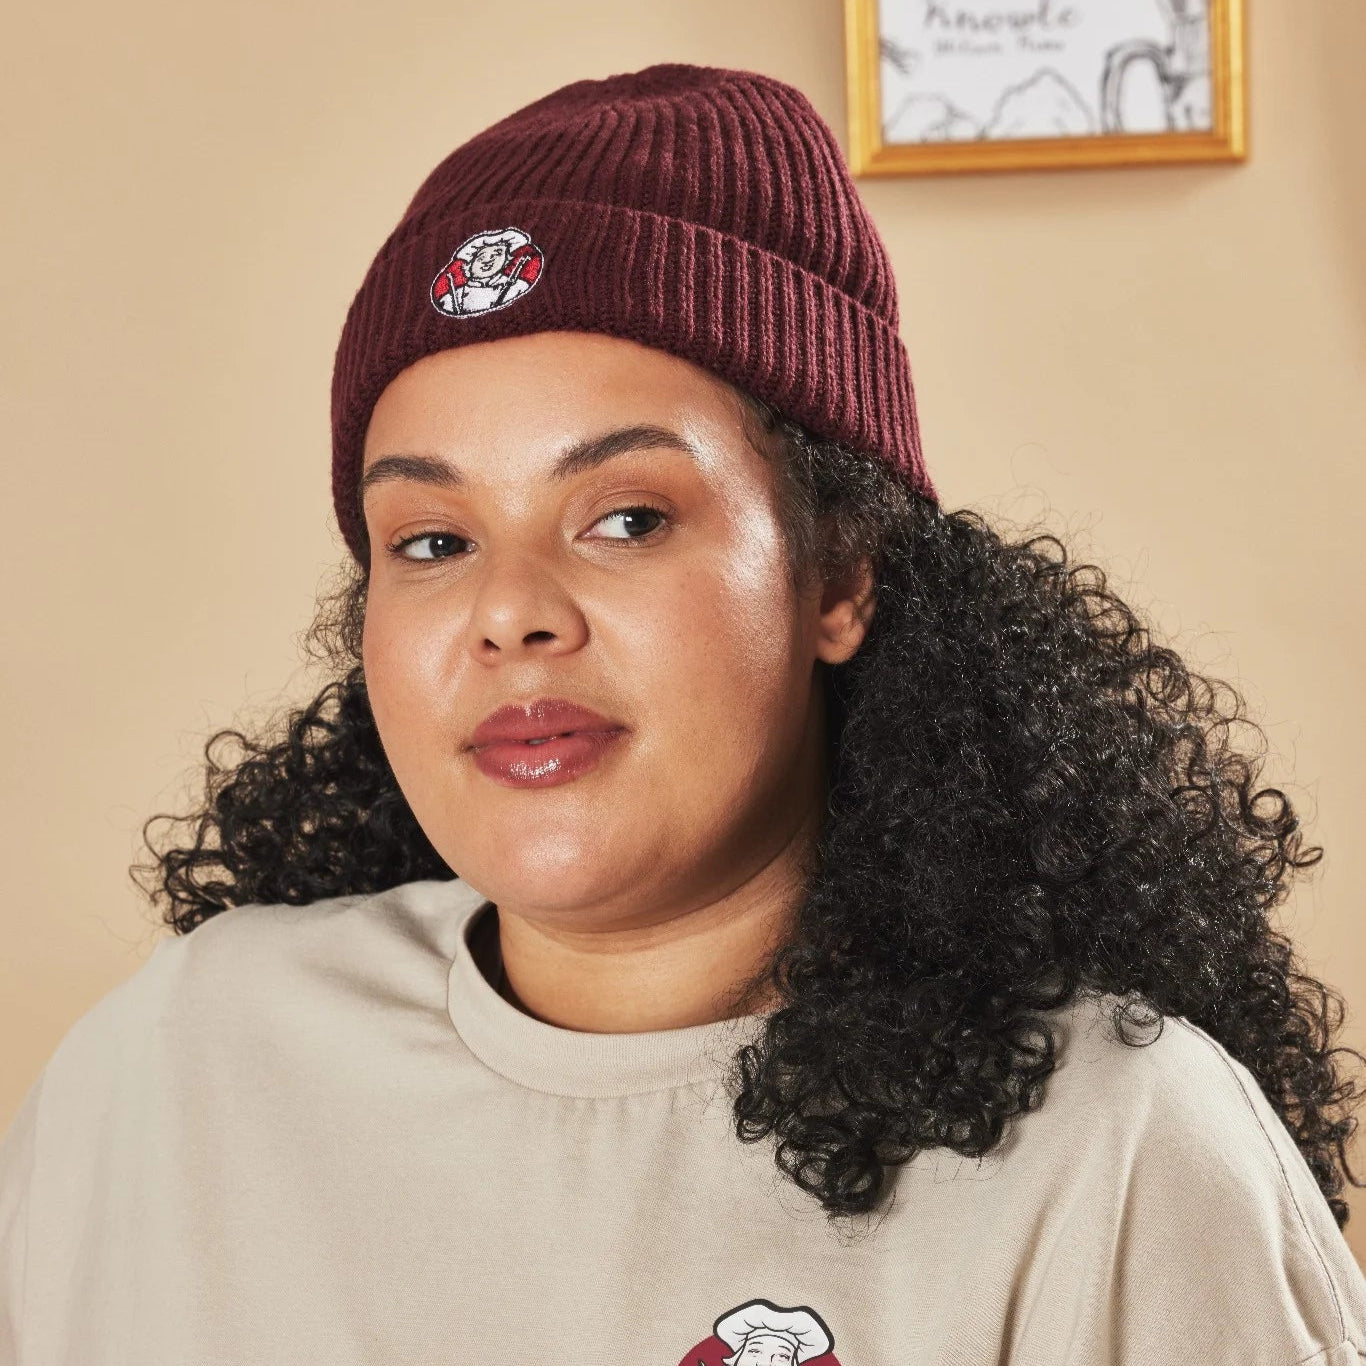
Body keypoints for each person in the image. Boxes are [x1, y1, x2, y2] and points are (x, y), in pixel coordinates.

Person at [2, 60, 1365, 1366]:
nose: (509, 610)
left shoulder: (1116, 1143)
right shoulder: (176, 1059)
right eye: (428, 540)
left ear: (838, 572)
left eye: (627, 516)